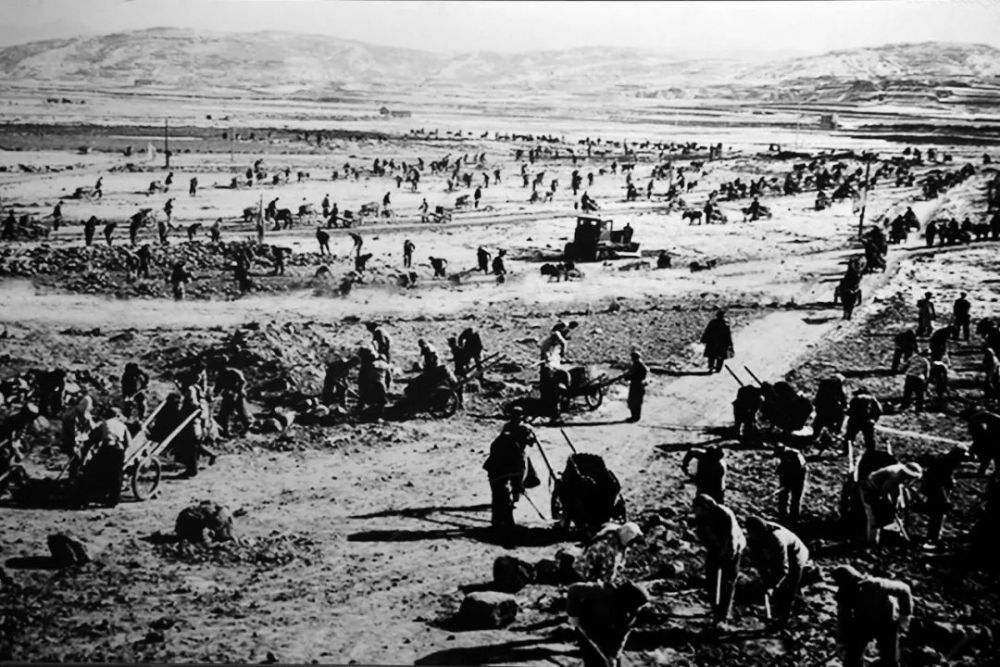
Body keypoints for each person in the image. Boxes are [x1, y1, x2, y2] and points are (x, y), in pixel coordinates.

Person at [832, 565, 913, 667]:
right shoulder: (844, 593)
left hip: (886, 621)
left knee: (890, 660)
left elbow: (904, 589)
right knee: (851, 658)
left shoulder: (875, 584)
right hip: (863, 621)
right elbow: (843, 617)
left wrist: (905, 615)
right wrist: (842, 642)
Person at [744, 516, 810, 629]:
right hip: (776, 554)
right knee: (775, 586)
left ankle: (783, 620)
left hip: (796, 555)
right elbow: (760, 561)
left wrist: (772, 586)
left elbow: (783, 569)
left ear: (760, 532)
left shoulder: (776, 539)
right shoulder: (753, 538)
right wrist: (766, 580)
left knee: (788, 587)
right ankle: (778, 613)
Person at [692, 493, 745, 624]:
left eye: (698, 509)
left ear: (705, 506)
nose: (696, 513)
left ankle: (723, 615)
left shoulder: (724, 514)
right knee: (711, 578)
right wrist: (712, 548)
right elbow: (701, 534)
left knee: (727, 581)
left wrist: (727, 555)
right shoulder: (701, 517)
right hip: (715, 548)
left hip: (733, 548)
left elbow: (732, 537)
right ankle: (715, 607)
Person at [482, 408, 540, 528]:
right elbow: (531, 443)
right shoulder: (523, 428)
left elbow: (530, 442)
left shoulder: (512, 428)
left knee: (499, 492)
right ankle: (517, 493)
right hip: (509, 461)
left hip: (501, 463)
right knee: (512, 481)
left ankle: (501, 516)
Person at [77, 407, 131, 508]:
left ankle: (91, 495)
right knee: (116, 475)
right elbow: (128, 442)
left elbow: (95, 438)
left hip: (108, 449)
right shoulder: (123, 425)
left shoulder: (104, 424)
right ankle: (114, 500)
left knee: (97, 470)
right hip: (118, 450)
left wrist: (88, 449)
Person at [917, 446, 969, 548]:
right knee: (938, 512)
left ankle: (935, 533)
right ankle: (933, 537)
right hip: (935, 488)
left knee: (937, 512)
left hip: (935, 487)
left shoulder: (947, 459)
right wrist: (945, 499)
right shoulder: (946, 462)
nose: (961, 461)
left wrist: (951, 482)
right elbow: (937, 481)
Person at [860, 462, 922, 545]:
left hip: (879, 488)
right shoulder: (894, 476)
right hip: (869, 488)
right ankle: (872, 543)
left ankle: (887, 537)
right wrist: (891, 508)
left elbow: (895, 492)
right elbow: (884, 495)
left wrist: (894, 506)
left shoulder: (900, 473)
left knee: (885, 514)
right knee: (874, 517)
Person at [215, 366, 251, 438]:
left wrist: (237, 391)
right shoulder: (220, 375)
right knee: (224, 413)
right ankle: (225, 430)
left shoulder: (234, 372)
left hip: (238, 394)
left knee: (242, 412)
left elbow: (243, 382)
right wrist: (215, 395)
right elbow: (218, 387)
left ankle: (246, 429)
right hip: (228, 395)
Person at [844, 386, 882, 453]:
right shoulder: (872, 398)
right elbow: (879, 410)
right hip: (868, 421)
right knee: (869, 438)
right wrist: (874, 419)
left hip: (855, 421)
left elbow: (850, 411)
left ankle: (846, 451)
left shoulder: (855, 398)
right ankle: (871, 452)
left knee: (849, 437)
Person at [357, 347, 391, 420]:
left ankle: (360, 413)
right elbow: (388, 378)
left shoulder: (368, 365)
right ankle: (378, 416)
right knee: (381, 402)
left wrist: (361, 389)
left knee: (365, 398)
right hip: (381, 385)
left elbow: (362, 378)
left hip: (371, 384)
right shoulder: (385, 366)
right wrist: (387, 387)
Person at [775, 445, 807, 523]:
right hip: (786, 477)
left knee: (795, 498)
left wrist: (790, 482)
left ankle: (793, 518)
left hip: (798, 478)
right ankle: (782, 516)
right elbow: (779, 470)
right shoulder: (783, 457)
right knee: (783, 496)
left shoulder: (796, 455)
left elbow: (800, 468)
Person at [964, 407, 1000, 476]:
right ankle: (985, 470)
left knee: (991, 454)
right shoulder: (979, 419)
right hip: (989, 435)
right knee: (990, 454)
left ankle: (985, 471)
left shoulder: (977, 420)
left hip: (993, 436)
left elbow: (977, 439)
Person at [626, 350, 648, 422]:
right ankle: (634, 416)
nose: (631, 358)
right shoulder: (636, 364)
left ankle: (635, 417)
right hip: (635, 384)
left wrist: (629, 377)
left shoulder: (639, 365)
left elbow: (638, 376)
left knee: (636, 402)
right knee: (633, 401)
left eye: (632, 357)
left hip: (637, 385)